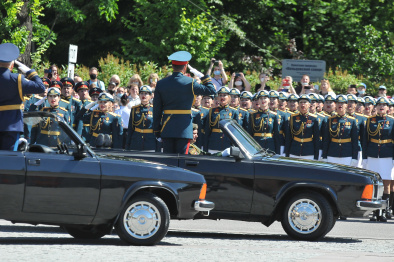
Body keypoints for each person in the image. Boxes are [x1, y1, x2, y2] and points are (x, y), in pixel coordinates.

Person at [153, 51, 216, 154]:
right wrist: (203, 76)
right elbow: (211, 90)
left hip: (167, 127)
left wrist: (157, 130)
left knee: (168, 162)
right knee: (182, 161)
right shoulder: (190, 82)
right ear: (185, 67)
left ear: (172, 66)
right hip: (184, 129)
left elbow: (157, 109)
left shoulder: (161, 84)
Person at [0, 43, 46, 150]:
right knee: (9, 161)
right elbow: (40, 87)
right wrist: (30, 72)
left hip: (11, 126)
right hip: (12, 126)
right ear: (12, 65)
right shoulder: (18, 79)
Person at [362, 97, 394, 222]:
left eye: (384, 105)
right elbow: (365, 140)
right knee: (374, 185)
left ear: (388, 107)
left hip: (387, 155)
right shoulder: (370, 121)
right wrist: (364, 157)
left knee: (386, 185)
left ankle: (384, 210)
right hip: (373, 154)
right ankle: (375, 211)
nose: (381, 106)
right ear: (375, 107)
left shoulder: (392, 121)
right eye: (379, 104)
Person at [322, 95, 358, 166]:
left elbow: (355, 141)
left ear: (346, 105)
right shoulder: (330, 120)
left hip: (347, 153)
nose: (340, 105)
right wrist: (324, 156)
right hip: (332, 153)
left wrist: (354, 157)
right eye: (338, 103)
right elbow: (326, 140)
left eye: (342, 103)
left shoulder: (352, 120)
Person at [204, 87, 239, 153]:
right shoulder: (212, 111)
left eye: (224, 95)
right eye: (220, 95)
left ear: (229, 97)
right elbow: (207, 131)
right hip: (214, 144)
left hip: (227, 144)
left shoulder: (234, 112)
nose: (222, 97)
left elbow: (236, 133)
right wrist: (205, 148)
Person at [285, 94, 320, 160]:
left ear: (309, 104)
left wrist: (316, 155)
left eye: (305, 102)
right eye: (301, 102)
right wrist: (287, 153)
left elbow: (316, 139)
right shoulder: (293, 117)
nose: (302, 104)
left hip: (308, 151)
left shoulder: (314, 119)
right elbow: (289, 137)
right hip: (294, 150)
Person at [125, 86, 158, 151]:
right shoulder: (134, 109)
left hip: (150, 142)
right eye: (142, 93)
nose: (144, 95)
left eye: (146, 93)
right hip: (136, 141)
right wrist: (128, 145)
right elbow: (131, 128)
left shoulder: (155, 109)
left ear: (151, 96)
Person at [347, 94, 367, 168]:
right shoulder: (337, 117)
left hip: (357, 149)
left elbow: (363, 138)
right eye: (348, 102)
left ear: (355, 105)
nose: (349, 104)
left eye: (352, 102)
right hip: (344, 148)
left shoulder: (361, 118)